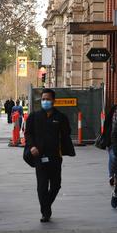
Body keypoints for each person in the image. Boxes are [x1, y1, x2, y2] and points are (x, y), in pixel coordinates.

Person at [24, 88, 75, 222]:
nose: (45, 101)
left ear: (54, 101)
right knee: (42, 185)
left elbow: (66, 133)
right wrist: (32, 146)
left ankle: (46, 205)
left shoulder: (60, 117)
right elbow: (28, 133)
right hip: (39, 157)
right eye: (43, 99)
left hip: (55, 157)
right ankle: (45, 212)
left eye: (48, 99)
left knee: (56, 185)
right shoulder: (34, 116)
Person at [102, 93, 117, 186]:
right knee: (113, 157)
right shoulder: (113, 110)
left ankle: (115, 175)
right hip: (112, 138)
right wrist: (105, 137)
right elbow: (107, 124)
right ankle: (113, 176)